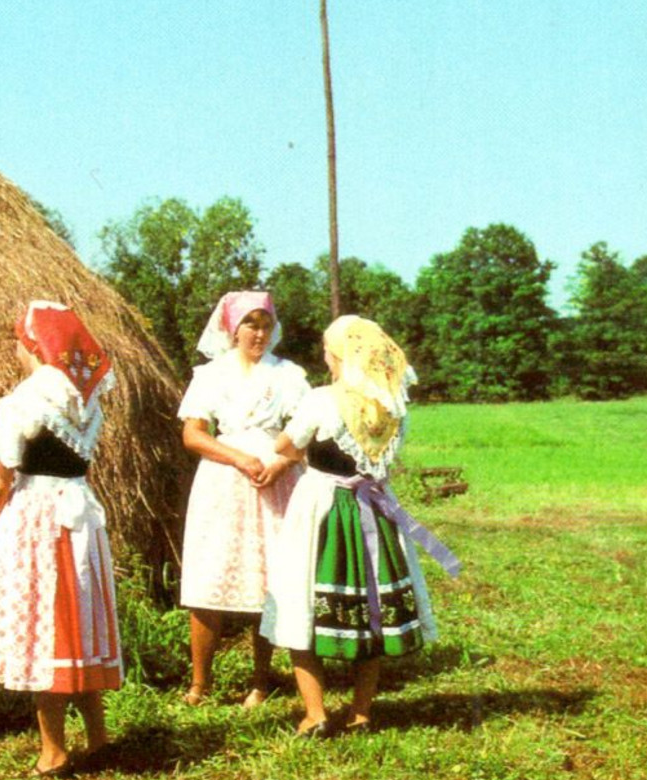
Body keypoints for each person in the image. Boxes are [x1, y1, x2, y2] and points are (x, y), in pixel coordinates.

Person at [258, 315, 461, 736]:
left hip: (324, 508)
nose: (326, 359)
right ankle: (361, 710)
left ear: (342, 355)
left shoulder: (321, 399)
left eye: (329, 352)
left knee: (301, 604)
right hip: (375, 508)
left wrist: (293, 448)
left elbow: (285, 445)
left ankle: (316, 714)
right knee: (371, 609)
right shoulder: (392, 405)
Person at [0, 301, 121, 778]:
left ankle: (53, 750)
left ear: (32, 344)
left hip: (37, 515)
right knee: (79, 623)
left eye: (20, 340)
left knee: (46, 626)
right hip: (81, 510)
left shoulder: (25, 399)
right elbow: (83, 463)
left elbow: (0, 479)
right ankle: (97, 736)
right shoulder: (87, 396)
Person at [177, 291, 309, 707]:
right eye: (250, 324)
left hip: (273, 479)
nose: (259, 333)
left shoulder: (289, 374)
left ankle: (260, 680)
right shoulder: (211, 375)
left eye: (265, 325)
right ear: (232, 329)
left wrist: (279, 463)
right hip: (223, 480)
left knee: (269, 578)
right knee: (209, 575)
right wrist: (237, 457)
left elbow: (308, 432)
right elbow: (193, 434)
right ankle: (200, 683)